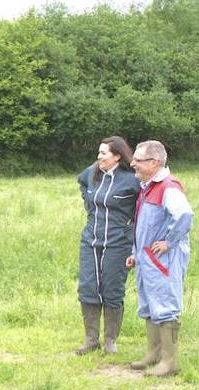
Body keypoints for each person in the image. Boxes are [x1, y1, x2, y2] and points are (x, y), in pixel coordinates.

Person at [127, 140, 193, 376]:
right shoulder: (148, 186)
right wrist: (135, 253)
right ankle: (153, 354)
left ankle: (170, 362)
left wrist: (169, 241)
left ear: (154, 162)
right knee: (149, 304)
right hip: (147, 259)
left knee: (165, 305)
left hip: (164, 259)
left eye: (138, 159)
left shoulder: (168, 186)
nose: (132, 163)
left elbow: (184, 214)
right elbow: (144, 225)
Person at [76, 136, 141, 355]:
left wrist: (131, 229)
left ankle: (110, 340)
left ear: (117, 156)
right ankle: (90, 339)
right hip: (91, 242)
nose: (99, 156)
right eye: (99, 152)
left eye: (104, 153)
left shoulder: (132, 179)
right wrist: (89, 202)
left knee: (112, 289)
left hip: (118, 243)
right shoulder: (93, 173)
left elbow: (143, 205)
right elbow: (81, 182)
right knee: (88, 287)